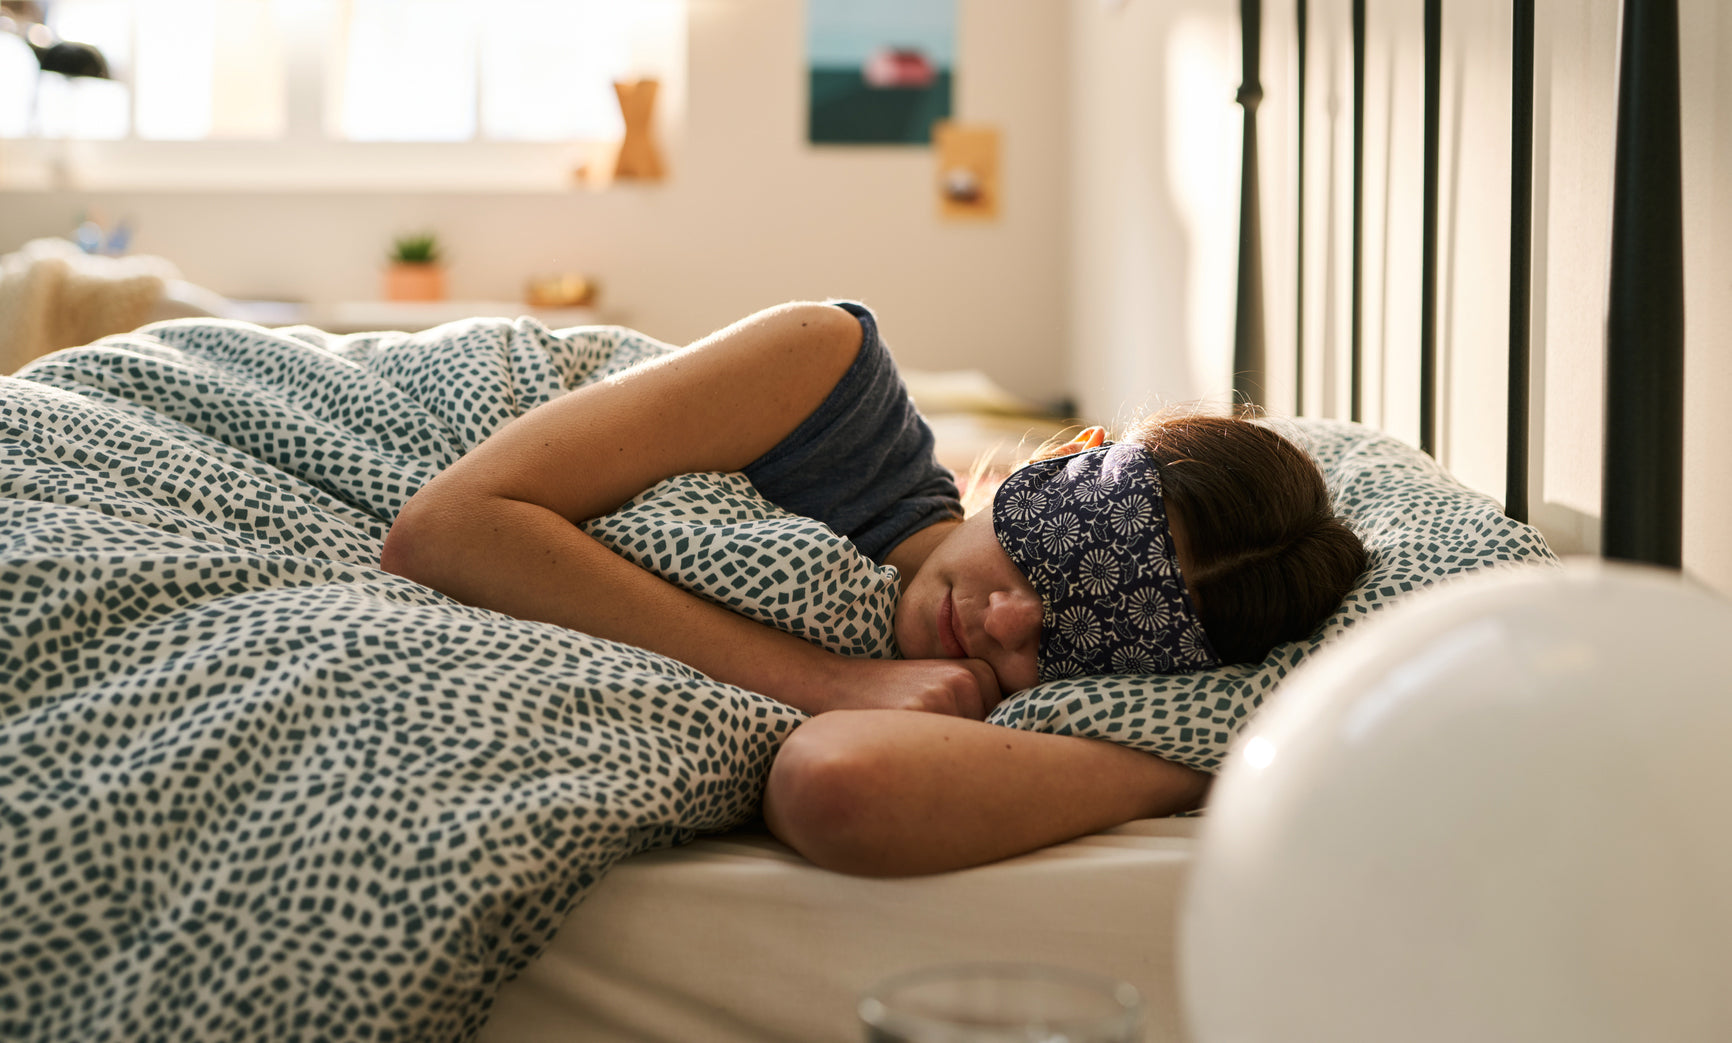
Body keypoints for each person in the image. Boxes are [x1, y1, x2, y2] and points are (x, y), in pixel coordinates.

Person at [381, 300, 1366, 876]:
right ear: (1068, 457)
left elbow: (838, 782)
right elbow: (441, 528)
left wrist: (1184, 757)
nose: (1008, 618)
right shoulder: (826, 377)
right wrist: (829, 680)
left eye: (1077, 640)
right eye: (1049, 553)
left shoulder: (998, 707)